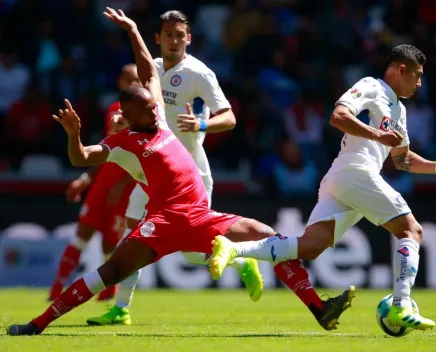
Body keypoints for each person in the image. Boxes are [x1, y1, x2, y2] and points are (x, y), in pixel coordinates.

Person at [7, 8, 354, 336]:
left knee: (267, 235)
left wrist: (132, 31)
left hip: (198, 215)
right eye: (146, 104)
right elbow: (82, 157)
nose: (155, 105)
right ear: (129, 115)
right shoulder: (124, 144)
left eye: (151, 100)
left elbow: (147, 72)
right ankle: (40, 323)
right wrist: (73, 135)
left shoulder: (159, 121)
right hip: (163, 221)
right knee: (109, 271)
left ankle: (317, 306)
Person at [209, 44, 436, 331]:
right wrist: (377, 134)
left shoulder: (400, 110)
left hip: (347, 179)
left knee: (308, 247)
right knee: (412, 231)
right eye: (417, 75)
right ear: (400, 69)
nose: (420, 83)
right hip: (356, 171)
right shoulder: (371, 86)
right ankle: (401, 305)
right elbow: (338, 117)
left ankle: (234, 249)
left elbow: (402, 159)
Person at [86, 10, 262, 326]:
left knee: (192, 253)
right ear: (158, 38)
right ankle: (121, 308)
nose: (174, 40)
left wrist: (202, 123)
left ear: (189, 38)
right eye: (168, 34)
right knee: (131, 233)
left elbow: (230, 117)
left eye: (180, 35)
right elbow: (147, 114)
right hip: (153, 172)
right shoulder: (151, 68)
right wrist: (125, 121)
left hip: (190, 174)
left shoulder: (199, 73)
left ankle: (241, 261)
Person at [48, 64, 140, 301]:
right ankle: (57, 289)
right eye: (128, 79)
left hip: (126, 190)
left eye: (137, 80)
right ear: (120, 82)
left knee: (110, 246)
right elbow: (106, 150)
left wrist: (122, 185)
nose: (132, 84)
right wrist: (86, 178)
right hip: (102, 185)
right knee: (81, 234)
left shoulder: (147, 114)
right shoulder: (113, 109)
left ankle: (108, 294)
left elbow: (142, 156)